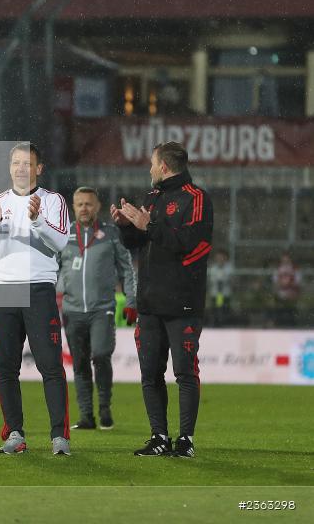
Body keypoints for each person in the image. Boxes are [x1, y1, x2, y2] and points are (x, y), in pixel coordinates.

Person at [112, 141, 213, 458]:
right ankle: (158, 437)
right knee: (150, 373)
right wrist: (126, 227)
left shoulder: (197, 198)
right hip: (150, 302)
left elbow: (192, 243)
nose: (150, 169)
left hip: (183, 302)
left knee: (185, 372)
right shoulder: (152, 198)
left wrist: (150, 226)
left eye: (153, 164)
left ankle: (186, 440)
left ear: (164, 166)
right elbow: (139, 243)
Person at [0, 142, 72, 456]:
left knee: (50, 365)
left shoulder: (52, 200)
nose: (20, 168)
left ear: (39, 168)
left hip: (38, 287)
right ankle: (15, 434)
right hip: (3, 288)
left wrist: (37, 220)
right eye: (16, 163)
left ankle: (59, 437)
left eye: (27, 163)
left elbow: (60, 242)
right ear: (9, 167)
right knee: (5, 367)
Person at [58, 187, 137, 431]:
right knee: (80, 363)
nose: (84, 208)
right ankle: (86, 416)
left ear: (97, 206)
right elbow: (51, 270)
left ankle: (104, 406)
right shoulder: (63, 235)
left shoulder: (111, 234)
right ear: (73, 207)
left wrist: (131, 300)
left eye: (89, 204)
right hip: (71, 310)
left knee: (101, 355)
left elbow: (127, 269)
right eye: (80, 204)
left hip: (102, 308)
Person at [272, 253, 301, 328]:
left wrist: (290, 285)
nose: (285, 262)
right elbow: (275, 282)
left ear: (290, 261)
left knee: (291, 311)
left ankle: (293, 324)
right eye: (284, 260)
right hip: (280, 294)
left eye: (287, 260)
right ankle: (279, 323)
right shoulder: (278, 270)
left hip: (292, 294)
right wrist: (282, 285)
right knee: (280, 310)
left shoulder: (295, 269)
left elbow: (298, 282)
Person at [207, 250, 234, 327]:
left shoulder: (229, 268)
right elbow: (211, 279)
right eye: (218, 257)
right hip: (216, 293)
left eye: (221, 257)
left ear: (225, 258)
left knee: (225, 308)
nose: (220, 259)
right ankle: (216, 323)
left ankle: (224, 323)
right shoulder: (213, 268)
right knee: (216, 308)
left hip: (225, 293)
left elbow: (231, 279)